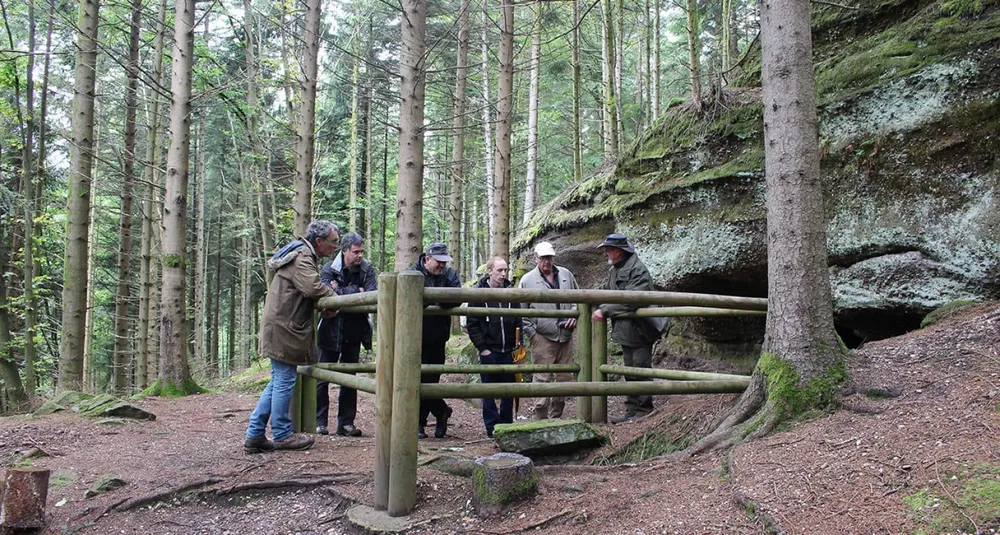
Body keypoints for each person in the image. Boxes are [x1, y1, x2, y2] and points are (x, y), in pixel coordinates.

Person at [245, 221, 339, 453]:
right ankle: (282, 434)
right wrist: (333, 298)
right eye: (333, 242)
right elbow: (312, 287)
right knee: (285, 381)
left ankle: (255, 434)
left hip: (282, 324)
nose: (335, 246)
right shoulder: (302, 256)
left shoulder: (300, 252)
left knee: (279, 381)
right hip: (284, 327)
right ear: (319, 241)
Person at [591, 233, 661, 423]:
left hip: (640, 330)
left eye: (610, 250)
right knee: (630, 370)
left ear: (620, 251)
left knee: (640, 369)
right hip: (626, 330)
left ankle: (644, 410)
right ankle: (632, 411)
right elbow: (608, 292)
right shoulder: (616, 269)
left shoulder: (638, 270)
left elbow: (632, 299)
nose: (606, 253)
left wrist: (604, 310)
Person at [316, 232, 377, 437]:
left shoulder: (367, 269)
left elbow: (370, 295)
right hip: (329, 330)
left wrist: (341, 293)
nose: (360, 255)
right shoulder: (328, 268)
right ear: (345, 251)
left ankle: (346, 423)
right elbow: (325, 294)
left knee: (350, 378)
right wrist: (355, 292)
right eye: (356, 251)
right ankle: (319, 422)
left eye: (362, 251)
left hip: (355, 330)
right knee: (321, 376)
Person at [519, 242, 580, 420]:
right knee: (542, 377)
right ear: (535, 258)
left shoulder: (566, 275)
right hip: (542, 336)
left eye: (549, 257)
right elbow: (522, 311)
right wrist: (532, 334)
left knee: (564, 377)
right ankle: (540, 417)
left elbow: (578, 297)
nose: (546, 261)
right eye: (543, 257)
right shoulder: (527, 280)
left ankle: (556, 417)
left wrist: (574, 315)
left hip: (566, 335)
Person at [411, 242, 462, 439]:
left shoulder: (450, 275)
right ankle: (439, 412)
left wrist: (432, 299)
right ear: (427, 259)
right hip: (414, 336)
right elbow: (411, 296)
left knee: (431, 380)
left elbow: (456, 297)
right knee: (416, 380)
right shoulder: (413, 272)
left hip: (438, 336)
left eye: (444, 262)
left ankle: (423, 422)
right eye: (438, 262)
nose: (442, 266)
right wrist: (439, 299)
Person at [466, 257, 522, 437]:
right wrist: (483, 348)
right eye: (499, 270)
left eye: (505, 270)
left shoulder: (511, 294)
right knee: (488, 390)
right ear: (489, 271)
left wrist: (517, 344)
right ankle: (491, 428)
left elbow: (518, 320)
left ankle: (506, 426)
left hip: (508, 351)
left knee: (509, 390)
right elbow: (472, 324)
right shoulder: (479, 294)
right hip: (489, 350)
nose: (503, 274)